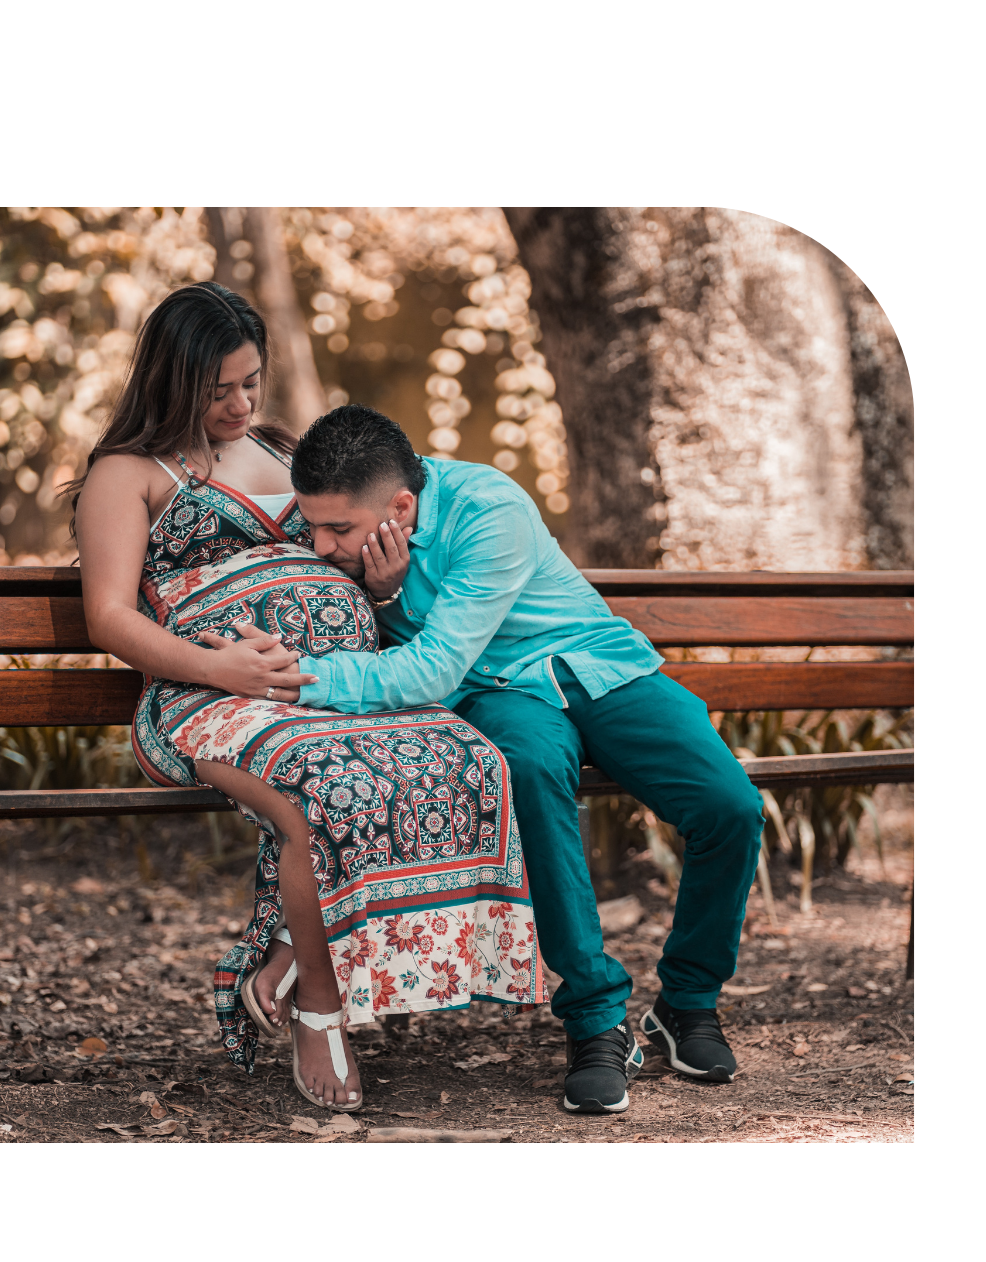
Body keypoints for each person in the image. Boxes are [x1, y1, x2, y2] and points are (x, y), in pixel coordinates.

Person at [71, 282, 547, 1114]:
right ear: (170, 379)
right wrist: (223, 671)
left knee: (466, 757)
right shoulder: (128, 473)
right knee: (322, 790)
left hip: (336, 683)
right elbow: (109, 616)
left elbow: (346, 557)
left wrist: (386, 589)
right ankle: (319, 1011)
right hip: (207, 694)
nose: (239, 402)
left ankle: (292, 943)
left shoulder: (287, 450)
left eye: (250, 380)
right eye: (217, 389)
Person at [287, 404, 766, 1115]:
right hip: (502, 693)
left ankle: (688, 1004)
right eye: (312, 525)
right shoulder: (348, 541)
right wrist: (382, 593)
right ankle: (595, 1022)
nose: (319, 545)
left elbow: (429, 671)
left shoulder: (489, 508)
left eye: (338, 530)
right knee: (532, 779)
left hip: (599, 667)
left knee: (731, 807)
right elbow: (442, 664)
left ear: (401, 505)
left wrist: (297, 676)